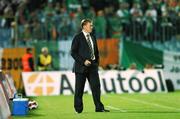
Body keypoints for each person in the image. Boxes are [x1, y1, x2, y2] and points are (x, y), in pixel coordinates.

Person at [71, 19, 109, 113]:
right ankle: (78, 109)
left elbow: (96, 52)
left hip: (93, 67)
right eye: (90, 25)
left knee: (96, 87)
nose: (92, 27)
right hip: (81, 67)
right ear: (84, 26)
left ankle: (99, 107)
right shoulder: (77, 37)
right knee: (79, 89)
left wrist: (96, 63)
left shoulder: (92, 36)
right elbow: (73, 52)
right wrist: (83, 61)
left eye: (92, 25)